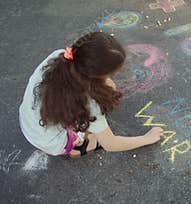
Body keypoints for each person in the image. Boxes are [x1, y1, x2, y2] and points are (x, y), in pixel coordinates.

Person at [19, 32, 164, 158]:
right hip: (49, 141)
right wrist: (147, 138)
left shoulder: (59, 57)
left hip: (30, 121)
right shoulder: (89, 102)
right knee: (95, 137)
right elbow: (111, 144)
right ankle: (75, 147)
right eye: (111, 73)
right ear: (96, 75)